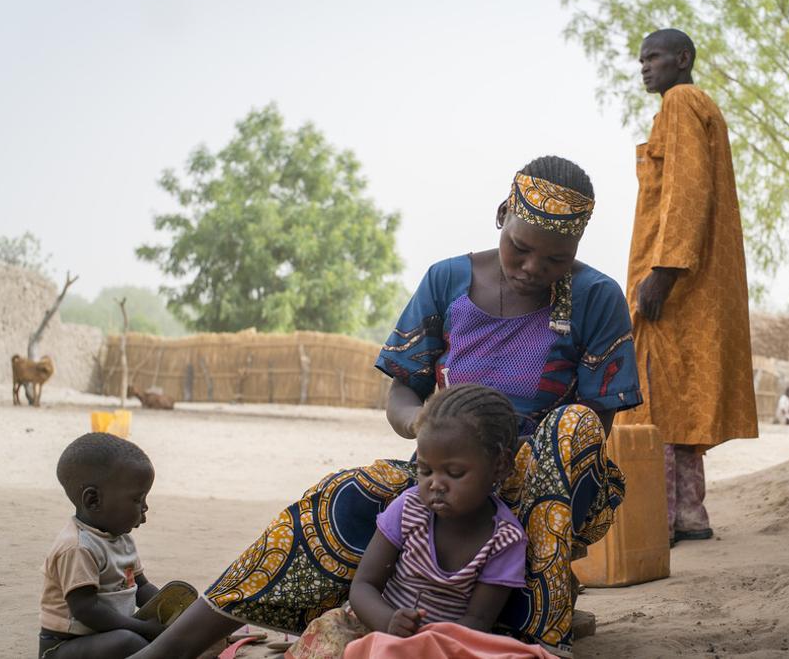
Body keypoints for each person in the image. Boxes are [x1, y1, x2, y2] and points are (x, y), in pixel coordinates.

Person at [130, 155, 642, 659]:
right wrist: (419, 423)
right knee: (339, 500)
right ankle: (171, 646)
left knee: (573, 425)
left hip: (545, 482)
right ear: (501, 215)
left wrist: (506, 467)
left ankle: (548, 636)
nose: (534, 269)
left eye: (556, 260)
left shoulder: (597, 297)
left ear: (576, 246)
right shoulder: (447, 281)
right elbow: (403, 386)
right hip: (450, 468)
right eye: (521, 249)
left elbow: (596, 421)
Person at [617, 28, 758, 547]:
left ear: (683, 58)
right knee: (676, 399)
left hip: (677, 280)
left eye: (652, 57)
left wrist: (663, 271)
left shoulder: (680, 102)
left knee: (656, 394)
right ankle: (690, 515)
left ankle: (665, 519)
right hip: (693, 280)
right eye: (640, 60)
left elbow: (685, 191)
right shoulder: (696, 107)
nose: (644, 67)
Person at [289, 384, 530, 656]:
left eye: (454, 472)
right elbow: (364, 586)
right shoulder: (410, 508)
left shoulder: (505, 540)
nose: (436, 484)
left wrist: (423, 646)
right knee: (333, 632)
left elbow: (477, 622)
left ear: (500, 466)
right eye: (425, 470)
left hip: (445, 646)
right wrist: (388, 623)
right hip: (376, 628)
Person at [39, 433, 165, 658]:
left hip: (105, 638)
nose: (145, 508)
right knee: (131, 642)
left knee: (149, 639)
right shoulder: (78, 547)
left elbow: (141, 587)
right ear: (93, 500)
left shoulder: (122, 539)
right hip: (64, 647)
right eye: (137, 500)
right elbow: (87, 609)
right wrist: (142, 628)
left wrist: (171, 608)